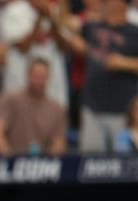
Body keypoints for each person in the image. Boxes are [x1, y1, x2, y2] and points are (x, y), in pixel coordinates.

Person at [56, 0, 138, 153]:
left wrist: (125, 63)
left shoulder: (134, 32)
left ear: (121, 4)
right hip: (92, 107)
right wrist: (63, 4)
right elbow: (65, 26)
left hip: (122, 112)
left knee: (124, 164)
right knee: (89, 162)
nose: (105, 4)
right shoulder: (93, 26)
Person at [0, 58, 67, 156]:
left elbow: (58, 142)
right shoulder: (10, 99)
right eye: (36, 76)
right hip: (12, 158)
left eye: (43, 77)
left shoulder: (56, 109)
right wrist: (7, 155)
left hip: (42, 163)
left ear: (48, 78)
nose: (39, 81)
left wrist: (51, 161)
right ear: (27, 75)